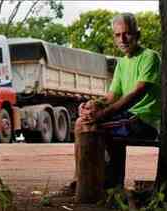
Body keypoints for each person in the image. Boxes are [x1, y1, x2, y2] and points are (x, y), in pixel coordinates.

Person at [66, 12, 161, 194]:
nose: (123, 39)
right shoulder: (122, 63)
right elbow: (111, 97)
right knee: (83, 121)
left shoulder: (150, 57)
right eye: (118, 35)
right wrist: (92, 104)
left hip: (145, 120)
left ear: (138, 35)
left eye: (127, 33)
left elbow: (136, 94)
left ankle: (94, 183)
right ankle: (94, 181)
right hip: (128, 118)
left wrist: (103, 114)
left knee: (87, 124)